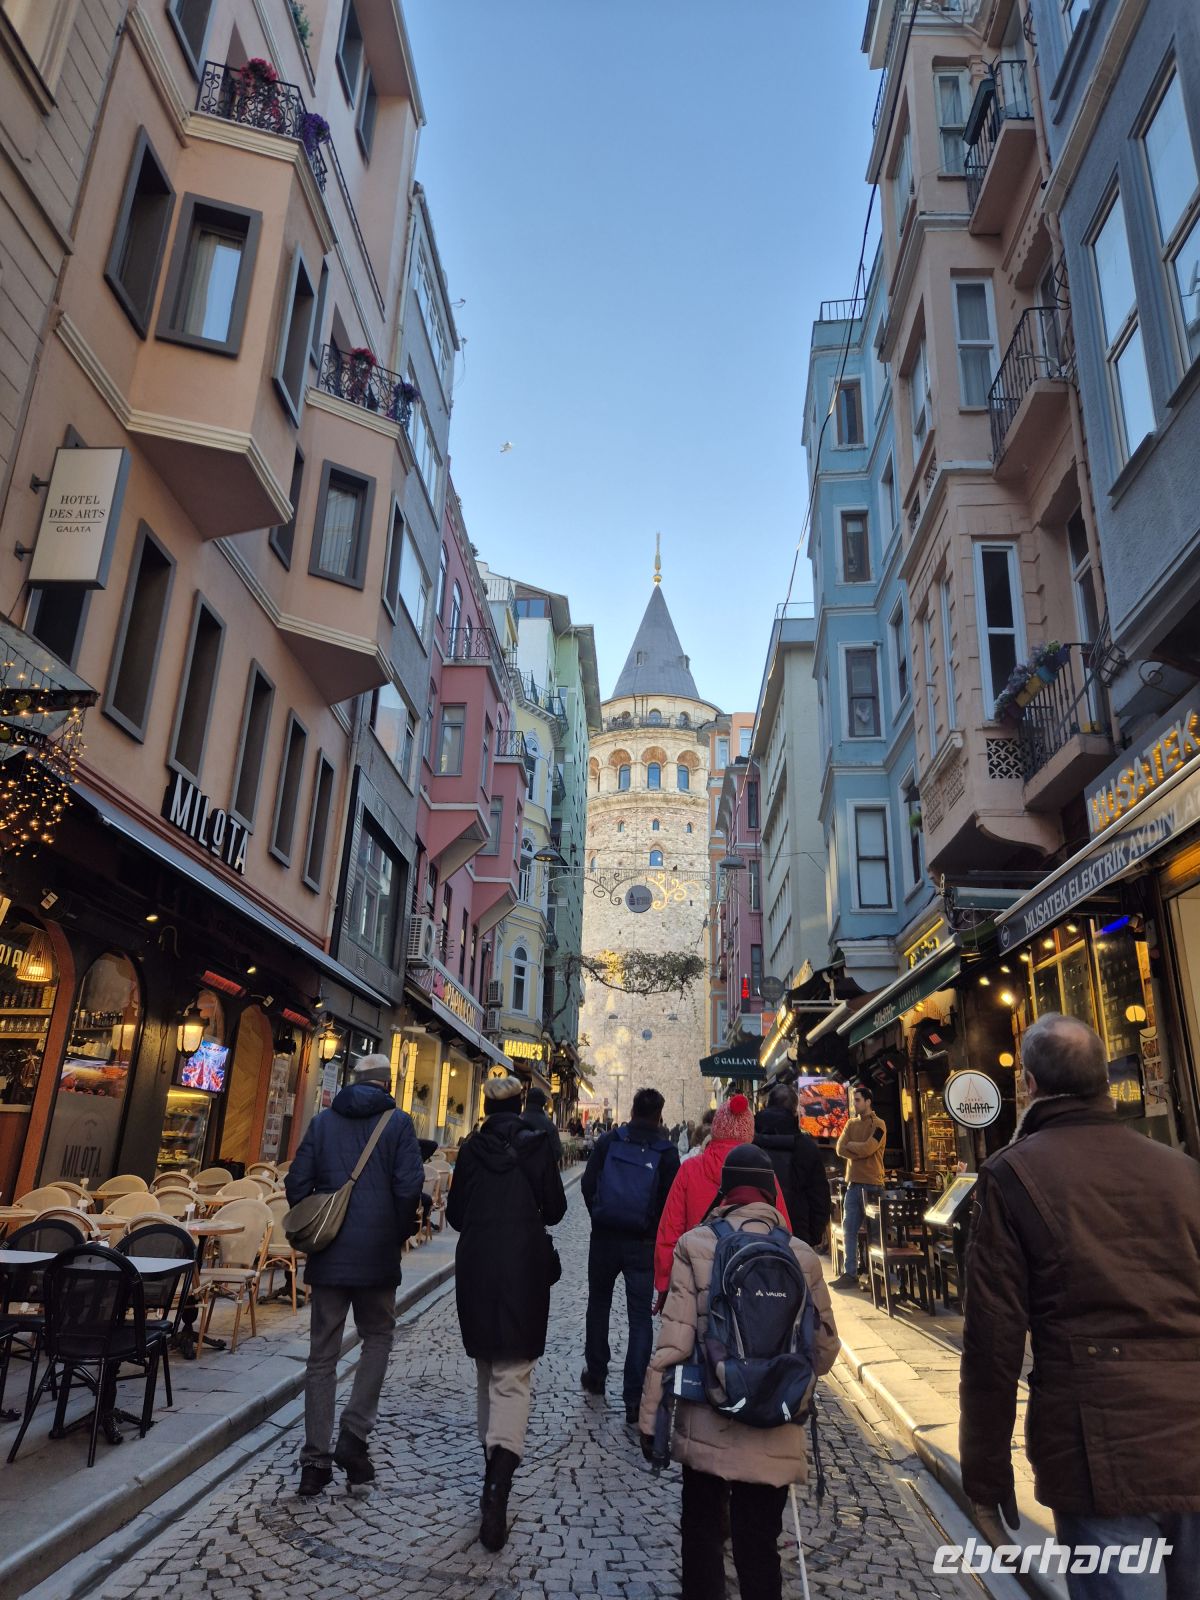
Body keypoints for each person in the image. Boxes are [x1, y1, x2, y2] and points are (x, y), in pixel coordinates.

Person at [960, 1013, 1200, 1597]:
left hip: (1099, 1449)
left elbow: (993, 1341)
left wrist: (986, 1476)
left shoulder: (1013, 1174)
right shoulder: (1183, 1173)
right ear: (1102, 1081)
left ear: (1029, 1085)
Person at [639, 1143, 840, 1600]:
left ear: (725, 1191)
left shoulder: (695, 1245)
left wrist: (649, 1418)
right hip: (774, 1420)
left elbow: (673, 1346)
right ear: (770, 1193)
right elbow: (825, 1352)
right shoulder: (802, 1256)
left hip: (708, 1418)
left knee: (703, 1536)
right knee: (759, 1546)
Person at [285, 1054, 425, 1498]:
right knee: (378, 1337)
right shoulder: (397, 1124)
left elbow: (296, 1183)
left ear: (354, 1081)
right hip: (376, 1257)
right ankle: (353, 1434)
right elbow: (408, 1189)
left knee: (322, 1355)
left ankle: (314, 1462)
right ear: (387, 1084)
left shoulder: (324, 1122)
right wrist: (396, 1231)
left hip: (329, 1256)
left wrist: (321, 1215)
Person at [446, 1073, 567, 1552]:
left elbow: (455, 1215)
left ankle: (491, 1470)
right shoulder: (537, 1146)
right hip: (523, 1265)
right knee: (513, 1374)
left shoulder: (472, 1150)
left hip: (477, 1264)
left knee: (486, 1368)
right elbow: (556, 1210)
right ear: (519, 1106)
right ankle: (498, 1484)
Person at [580, 1086, 681, 1422]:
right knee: (640, 1319)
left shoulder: (610, 1141)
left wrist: (599, 1213)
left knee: (599, 1304)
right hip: (642, 1244)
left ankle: (595, 1374)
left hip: (605, 1237)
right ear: (658, 1116)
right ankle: (634, 1397)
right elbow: (671, 1204)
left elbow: (587, 1183)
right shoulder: (666, 1153)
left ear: (634, 1110)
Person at [653, 1094, 790, 1311]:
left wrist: (665, 1284)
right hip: (750, 1287)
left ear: (716, 1129)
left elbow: (670, 1231)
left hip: (696, 1283)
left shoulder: (690, 1169)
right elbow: (783, 1231)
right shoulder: (764, 1174)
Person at [753, 1083, 832, 1248]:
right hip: (797, 1237)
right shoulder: (807, 1148)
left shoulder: (749, 1144)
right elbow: (819, 1197)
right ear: (795, 1110)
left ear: (767, 1105)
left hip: (753, 1234)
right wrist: (812, 1236)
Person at [829, 1082, 885, 1288]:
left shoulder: (879, 1125)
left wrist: (852, 1146)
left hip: (873, 1185)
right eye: (854, 1100)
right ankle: (850, 1273)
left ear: (868, 1101)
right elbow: (839, 1149)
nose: (855, 1104)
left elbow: (870, 1148)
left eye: (858, 1100)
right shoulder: (850, 1124)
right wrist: (856, 1148)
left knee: (875, 1233)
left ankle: (875, 1275)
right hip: (853, 1185)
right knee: (848, 1230)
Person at [521, 1084, 562, 1161]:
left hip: (519, 1171)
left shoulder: (518, 1120)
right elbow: (557, 1153)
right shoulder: (549, 1125)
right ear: (543, 1103)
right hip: (542, 1170)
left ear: (527, 1101)